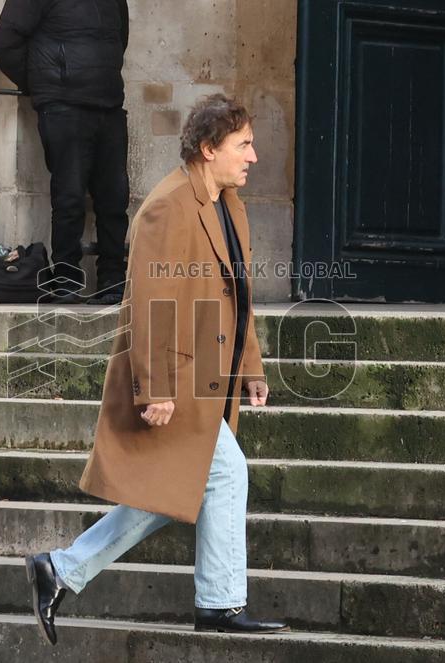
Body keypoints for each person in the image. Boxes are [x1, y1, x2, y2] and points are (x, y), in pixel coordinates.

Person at [24, 94, 288, 645]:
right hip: (180, 377)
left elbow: (237, 295)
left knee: (189, 485)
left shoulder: (227, 201)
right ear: (210, 148)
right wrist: (156, 389)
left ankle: (62, 569)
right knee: (224, 474)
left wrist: (251, 367)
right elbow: (151, 303)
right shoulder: (169, 205)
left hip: (211, 372)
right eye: (244, 145)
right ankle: (217, 603)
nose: (254, 157)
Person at [0, 0, 130, 305]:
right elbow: (5, 40)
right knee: (69, 197)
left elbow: (119, 40)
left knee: (114, 198)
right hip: (63, 105)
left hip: (108, 103)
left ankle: (112, 278)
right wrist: (43, 83)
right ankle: (65, 277)